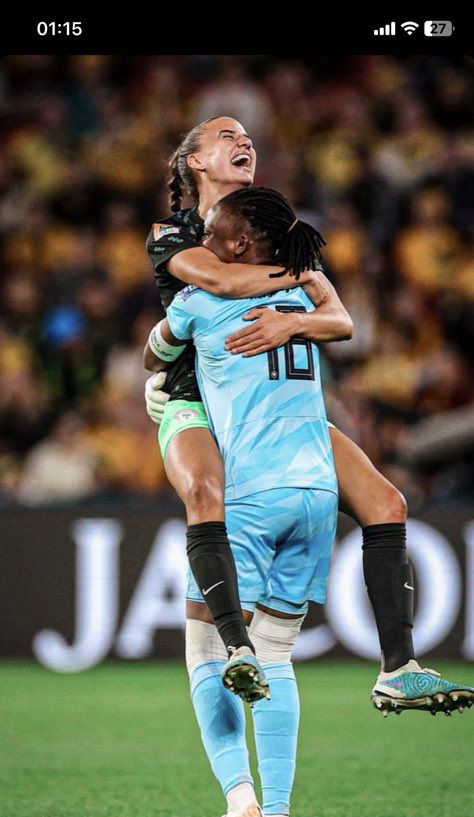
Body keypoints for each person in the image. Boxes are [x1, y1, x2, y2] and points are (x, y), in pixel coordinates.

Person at [145, 115, 469, 716]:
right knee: (206, 497)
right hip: (204, 398)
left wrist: (296, 319)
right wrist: (307, 281)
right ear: (195, 161)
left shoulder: (270, 221)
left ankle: (398, 667)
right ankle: (231, 648)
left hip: (277, 403)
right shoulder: (176, 232)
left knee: (387, 503)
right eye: (226, 136)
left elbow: (340, 321)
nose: (244, 141)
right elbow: (219, 279)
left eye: (247, 135)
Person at [155, 187, 340, 817]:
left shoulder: (202, 299)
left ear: (239, 244)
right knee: (280, 655)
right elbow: (343, 322)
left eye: (211, 229)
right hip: (318, 492)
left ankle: (242, 803)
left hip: (252, 495)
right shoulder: (305, 301)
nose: (201, 238)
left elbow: (155, 356)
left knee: (208, 650)